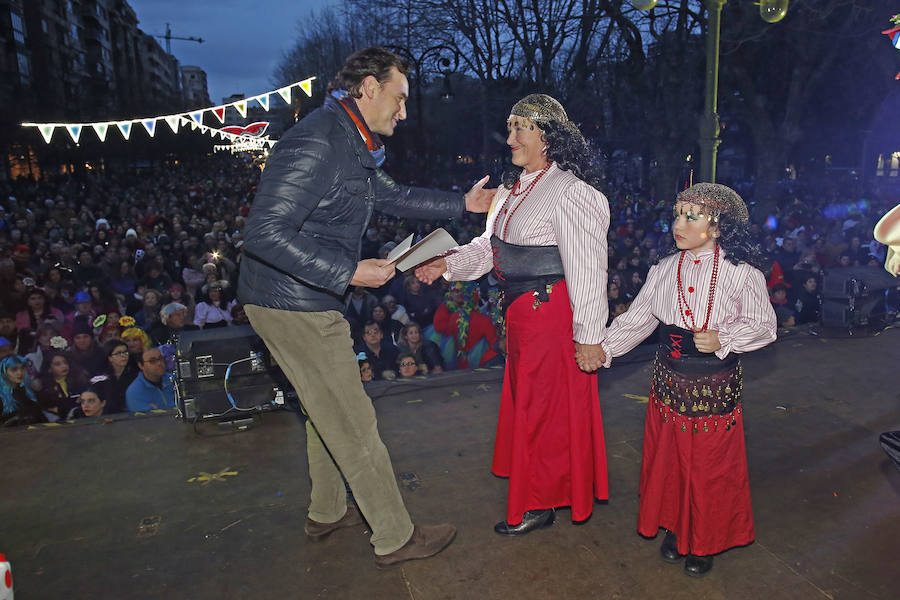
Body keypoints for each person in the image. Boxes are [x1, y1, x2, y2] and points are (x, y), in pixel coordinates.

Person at [237, 47, 495, 568]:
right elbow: (262, 233)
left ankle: (328, 511)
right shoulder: (319, 141)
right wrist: (349, 272)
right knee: (353, 422)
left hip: (297, 295)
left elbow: (393, 196)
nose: (403, 112)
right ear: (369, 88)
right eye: (399, 99)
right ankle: (395, 537)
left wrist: (460, 205)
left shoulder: (348, 140)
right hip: (296, 302)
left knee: (322, 409)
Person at [416, 94, 610, 535]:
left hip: (551, 314)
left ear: (548, 136)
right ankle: (546, 493)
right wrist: (447, 263)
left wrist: (590, 336)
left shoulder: (573, 193)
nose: (510, 138)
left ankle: (538, 503)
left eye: (520, 127)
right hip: (522, 316)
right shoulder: (510, 189)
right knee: (533, 406)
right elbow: (489, 249)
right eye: (510, 127)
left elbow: (587, 271)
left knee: (542, 409)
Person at [601, 183, 777, 577]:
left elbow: (765, 327)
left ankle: (705, 538)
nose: (678, 224)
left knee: (710, 466)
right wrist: (602, 349)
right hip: (668, 383)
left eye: (690, 217)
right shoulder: (664, 270)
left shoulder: (741, 274)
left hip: (714, 386)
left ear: (716, 228)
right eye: (677, 215)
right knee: (671, 460)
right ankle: (677, 525)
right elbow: (638, 320)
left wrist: (724, 339)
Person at [431, 282, 501, 370]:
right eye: (456, 291)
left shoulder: (455, 317)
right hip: (476, 362)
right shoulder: (483, 320)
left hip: (460, 362)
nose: (459, 294)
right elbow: (494, 342)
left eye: (462, 292)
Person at [94, 339, 139, 414]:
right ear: (110, 358)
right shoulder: (101, 377)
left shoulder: (136, 374)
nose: (124, 356)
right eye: (118, 353)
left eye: (125, 352)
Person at [125, 347, 176, 412]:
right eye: (152, 361)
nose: (159, 363)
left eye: (160, 358)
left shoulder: (175, 380)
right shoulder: (134, 391)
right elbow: (147, 419)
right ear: (141, 365)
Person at [0, 355, 45, 426]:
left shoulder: (27, 392)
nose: (20, 373)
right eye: (14, 369)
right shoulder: (1, 396)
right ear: (4, 372)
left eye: (22, 368)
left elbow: (41, 418)